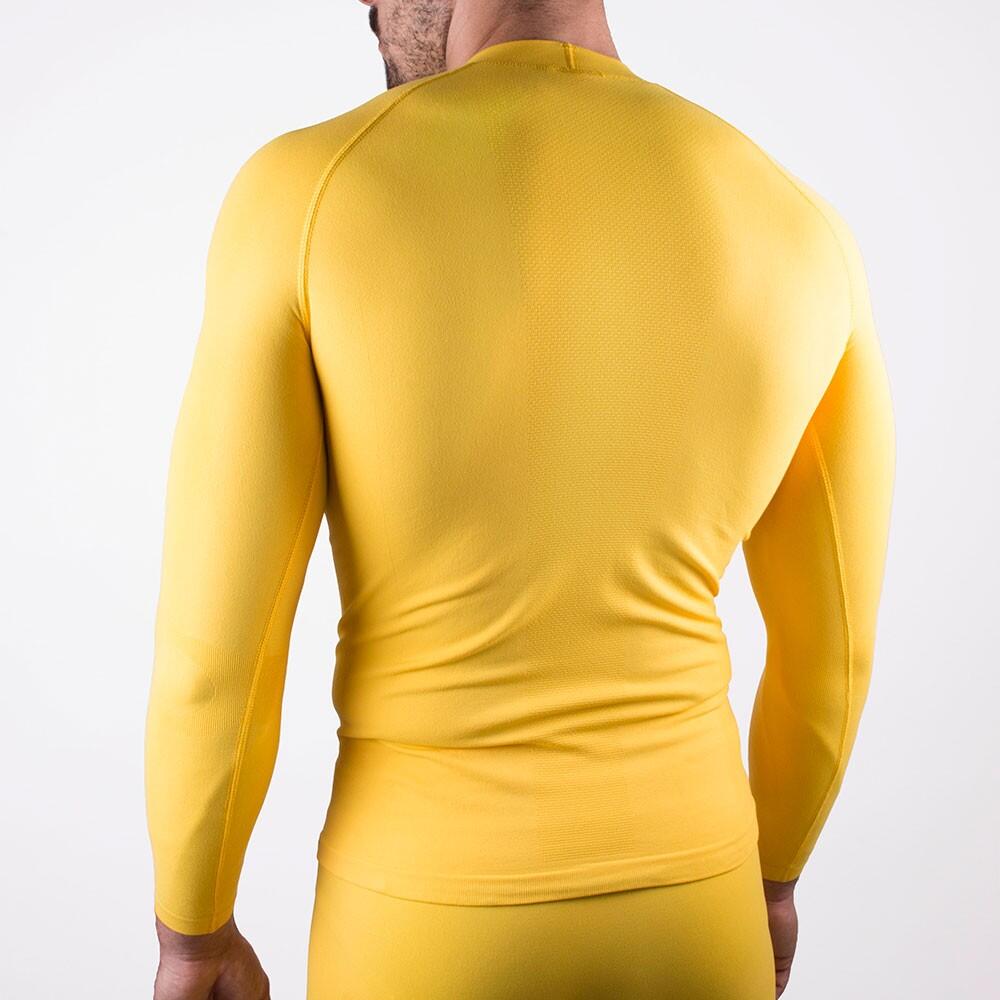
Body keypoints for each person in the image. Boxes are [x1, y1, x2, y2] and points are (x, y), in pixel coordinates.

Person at [144, 1, 896, 997]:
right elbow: (834, 654)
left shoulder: (304, 193)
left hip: (421, 925)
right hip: (698, 914)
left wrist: (194, 933)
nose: (365, 9)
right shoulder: (801, 227)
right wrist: (775, 876)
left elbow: (217, 656)